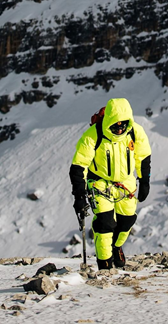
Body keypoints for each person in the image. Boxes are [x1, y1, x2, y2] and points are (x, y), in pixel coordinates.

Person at [69, 98, 151, 270]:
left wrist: (144, 181)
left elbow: (142, 157)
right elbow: (79, 166)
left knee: (127, 220)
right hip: (99, 183)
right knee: (105, 223)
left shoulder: (135, 132)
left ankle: (116, 247)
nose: (120, 128)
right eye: (116, 125)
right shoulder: (94, 134)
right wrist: (79, 195)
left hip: (125, 183)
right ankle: (104, 264)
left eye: (123, 124)